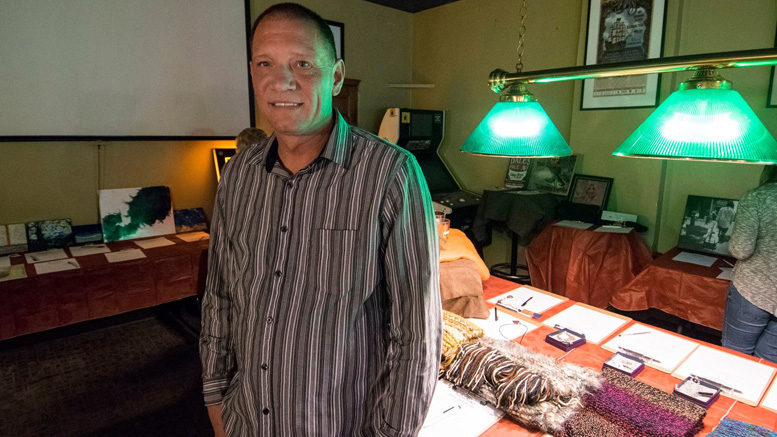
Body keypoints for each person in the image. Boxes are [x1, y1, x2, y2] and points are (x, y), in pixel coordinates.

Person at [199, 3, 442, 436]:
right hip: (247, 420)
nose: (282, 81)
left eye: (303, 63)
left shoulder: (391, 174)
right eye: (265, 63)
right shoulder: (238, 174)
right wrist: (217, 400)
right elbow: (220, 296)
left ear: (335, 76)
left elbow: (417, 336)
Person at [722, 166, 777, 363]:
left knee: (736, 356)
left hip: (753, 292)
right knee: (768, 363)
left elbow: (741, 249)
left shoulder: (758, 197)